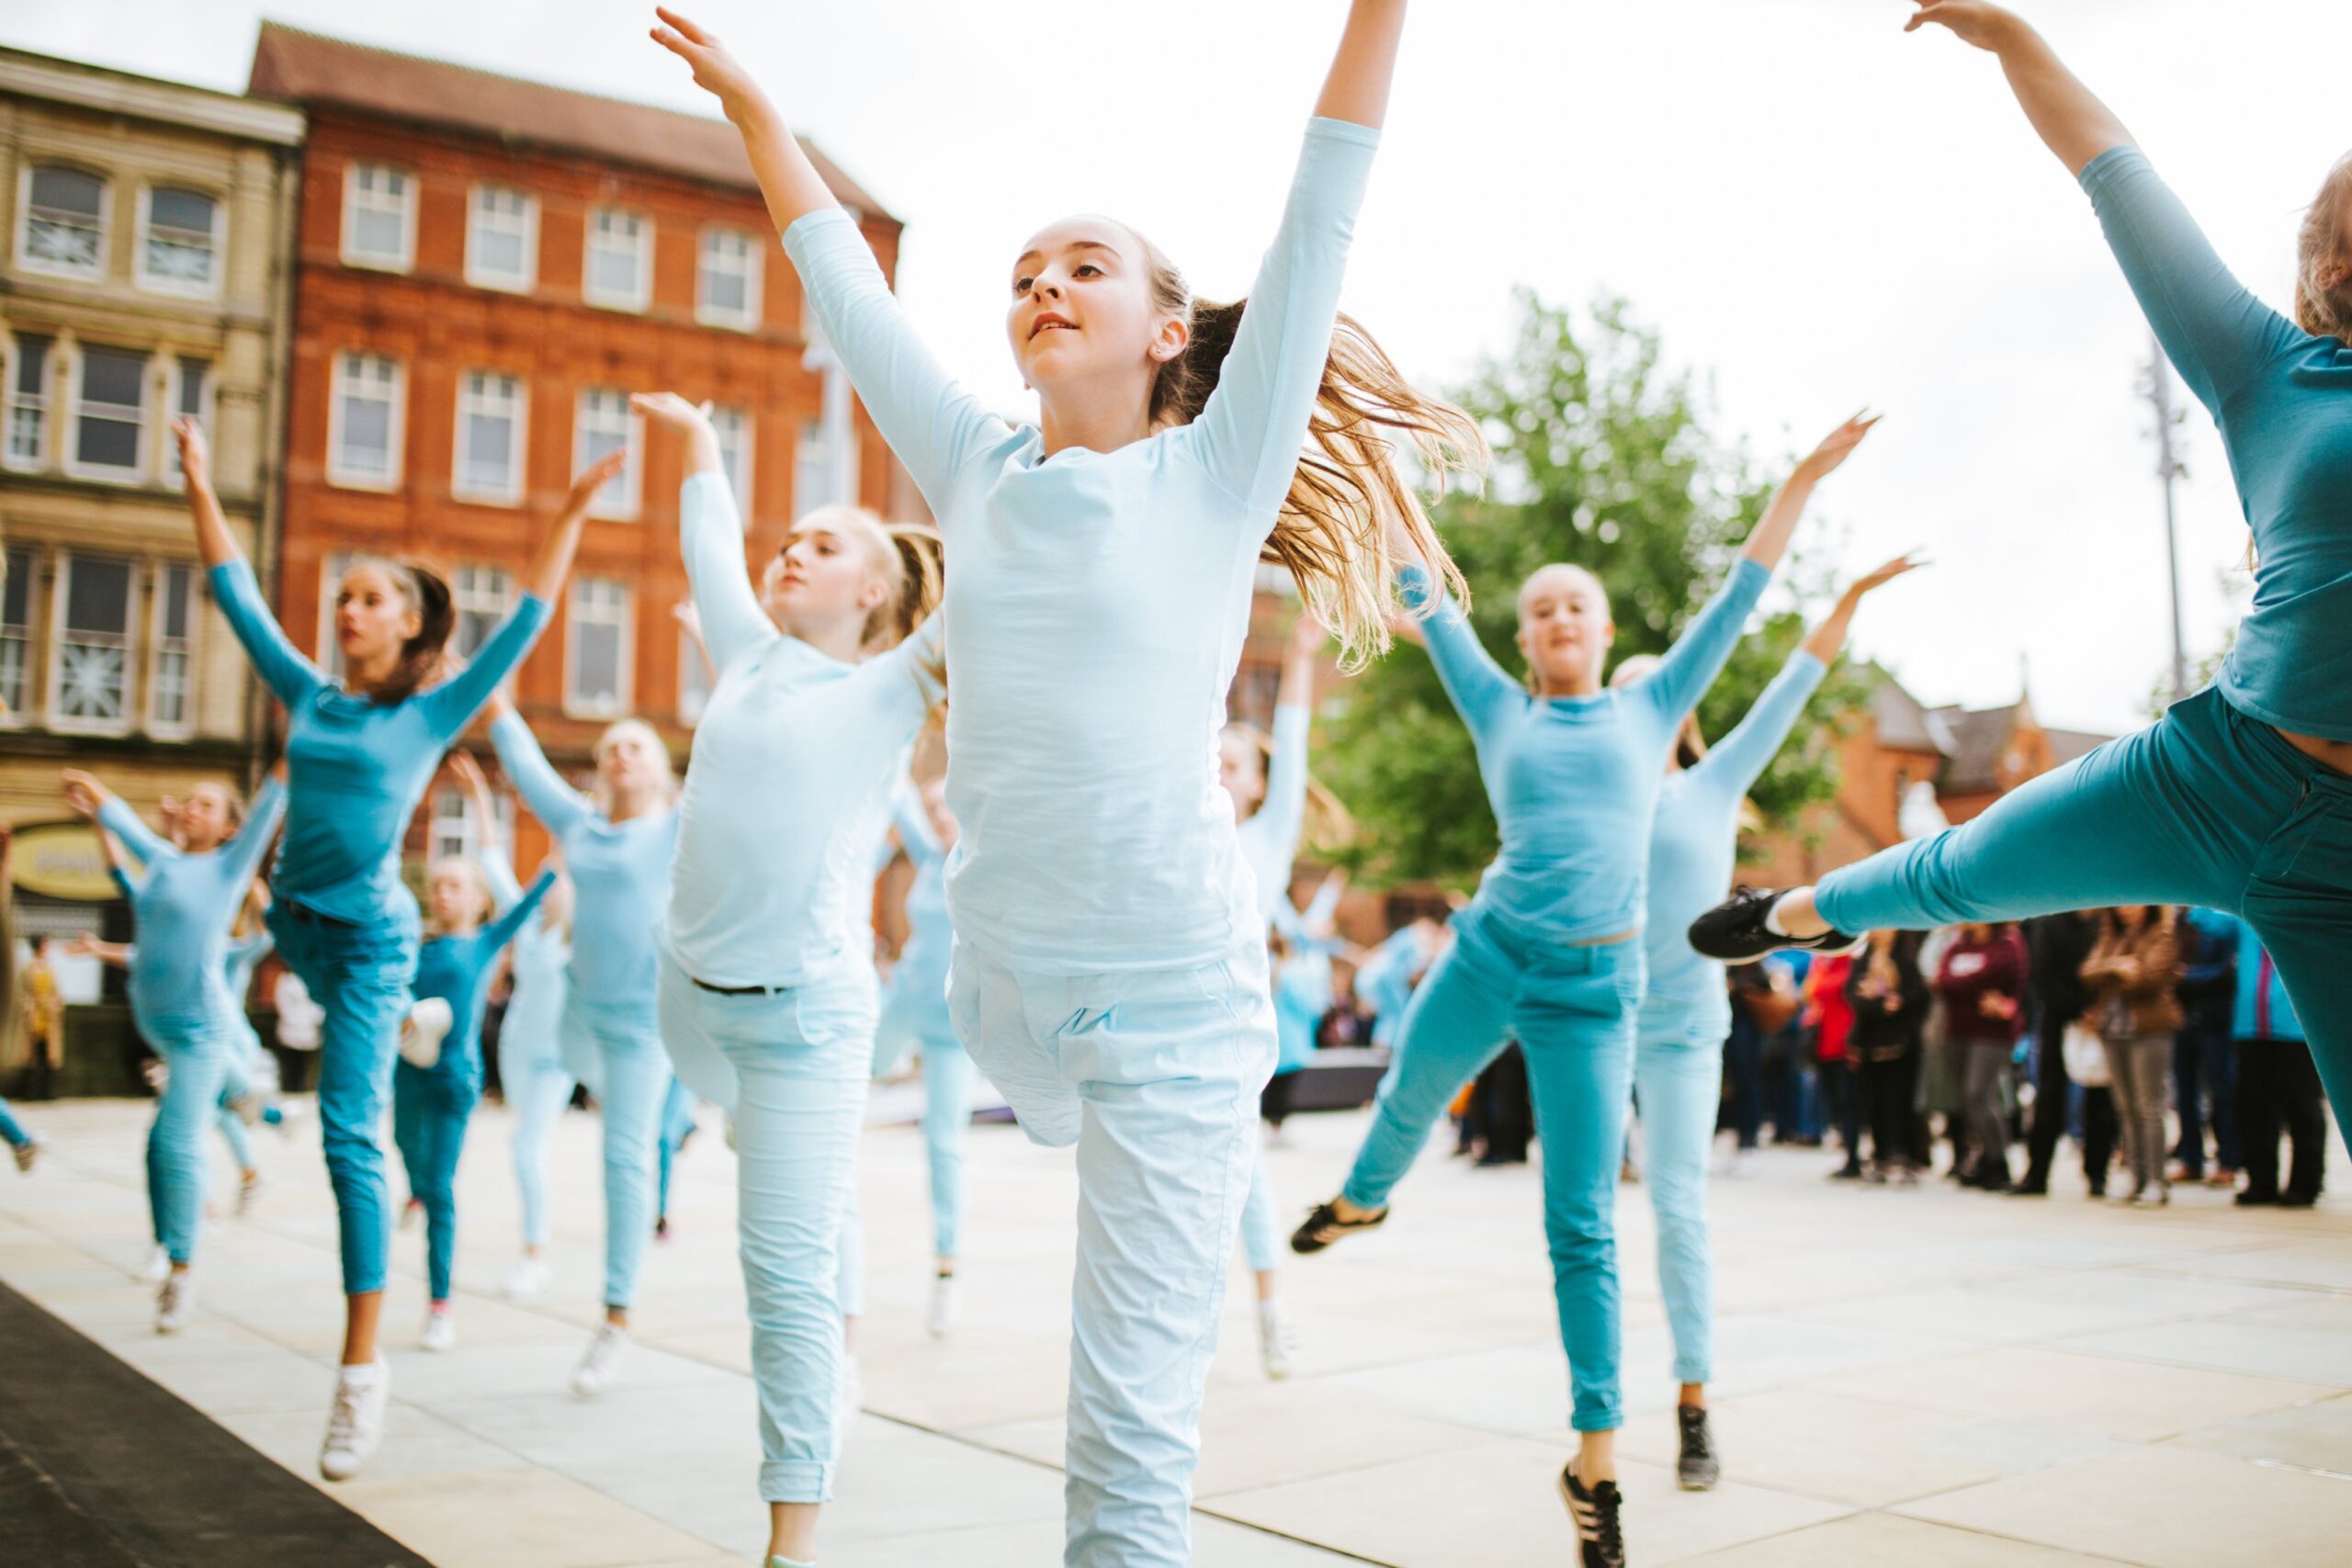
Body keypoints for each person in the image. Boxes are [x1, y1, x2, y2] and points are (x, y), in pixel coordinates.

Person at [653, 5, 1483, 1562]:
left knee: (1123, 1433)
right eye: (1022, 273)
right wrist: (763, 111)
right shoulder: (973, 464)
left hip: (1170, 1002)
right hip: (1009, 985)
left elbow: (1324, 200)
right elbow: (838, 271)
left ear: (1169, 328)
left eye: (1083, 264)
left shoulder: (1219, 466)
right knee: (1007, 1102)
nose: (1042, 283)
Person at [1688, 1, 2352, 1143]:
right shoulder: (2270, 375)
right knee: (1967, 863)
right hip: (2221, 773)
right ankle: (1799, 911)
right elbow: (2117, 175)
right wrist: (2018, 45)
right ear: (2337, 261)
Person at [1290, 411, 1875, 1562]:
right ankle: (1362, 1198)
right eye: (1539, 607)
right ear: (1524, 636)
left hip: (1593, 999)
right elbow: (1422, 588)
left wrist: (1801, 475)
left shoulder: (1652, 708)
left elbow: (1744, 595)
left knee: (1581, 1226)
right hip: (1490, 948)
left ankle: (1595, 1464)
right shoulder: (1497, 706)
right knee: (1409, 1094)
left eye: (1576, 604)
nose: (1557, 616)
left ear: (1605, 631)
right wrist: (1372, 466)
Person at [178, 414, 602, 1479]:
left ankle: (361, 1372)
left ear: (411, 626)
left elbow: (528, 624)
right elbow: (235, 592)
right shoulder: (308, 695)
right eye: (344, 595)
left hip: (370, 941)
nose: (346, 608)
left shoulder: (431, 711)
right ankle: (414, 1019)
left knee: (344, 1136)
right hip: (293, 925)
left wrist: (572, 510)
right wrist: (195, 477)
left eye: (370, 597)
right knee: (332, 1011)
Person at [628, 391, 942, 1568]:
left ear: (872, 590)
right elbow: (709, 538)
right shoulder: (749, 651)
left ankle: (790, 1539)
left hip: (806, 1026)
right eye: (790, 535)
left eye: (822, 543)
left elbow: (1005, 578)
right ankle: (821, 1211)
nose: (786, 550)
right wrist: (702, 441)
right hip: (686, 1007)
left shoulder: (894, 685)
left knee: (782, 1269)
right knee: (798, 1196)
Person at [1607, 555, 1915, 1489]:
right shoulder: (1584, 792)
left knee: (1677, 1211)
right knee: (1581, 1216)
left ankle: (1693, 1406)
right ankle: (1594, 1422)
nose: (1632, 706)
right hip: (1594, 1023)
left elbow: (1793, 686)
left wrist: (1848, 601)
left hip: (1683, 1033)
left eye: (1649, 693)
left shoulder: (1710, 784)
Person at [487, 691, 679, 1393]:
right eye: (609, 750)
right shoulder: (581, 826)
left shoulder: (676, 828)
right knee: (541, 1089)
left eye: (636, 746)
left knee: (623, 1158)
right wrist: (499, 699)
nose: (620, 754)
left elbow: (732, 748)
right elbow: (526, 765)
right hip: (575, 1017)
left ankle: (615, 1318)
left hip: (640, 1029)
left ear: (661, 772)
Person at [61, 765, 286, 1333]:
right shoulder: (162, 860)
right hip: (157, 1027)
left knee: (173, 1142)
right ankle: (249, 1093)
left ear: (230, 828)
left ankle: (180, 1272)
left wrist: (294, 749)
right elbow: (128, 833)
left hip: (197, 1031)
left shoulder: (229, 868)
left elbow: (269, 807)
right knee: (164, 1139)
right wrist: (98, 796)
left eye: (206, 805)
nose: (190, 808)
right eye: (188, 800)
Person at [390, 752, 555, 1351]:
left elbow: (542, 884)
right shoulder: (411, 945)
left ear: (478, 897)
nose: (443, 892)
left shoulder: (485, 941)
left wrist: (485, 798)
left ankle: (439, 1302)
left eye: (455, 884)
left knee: (440, 1188)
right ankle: (412, 1187)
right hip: (406, 1073)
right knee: (407, 1155)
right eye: (437, 885)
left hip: (454, 1081)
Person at [1221, 610, 1330, 1380]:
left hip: (1230, 1035)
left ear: (1257, 786)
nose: (1219, 771)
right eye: (1211, 760)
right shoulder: (1172, 830)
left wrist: (1297, 657)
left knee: (1245, 1170)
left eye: (1233, 764)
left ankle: (1270, 1309)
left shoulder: (1265, 840)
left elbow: (1290, 744)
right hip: (1152, 1030)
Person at [871, 773, 973, 1339]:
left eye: (948, 806)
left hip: (951, 1027)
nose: (937, 815)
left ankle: (947, 1269)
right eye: (931, 807)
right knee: (849, 1069)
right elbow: (894, 785)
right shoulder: (925, 852)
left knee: (944, 1141)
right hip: (902, 1006)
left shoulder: (982, 860)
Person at [497, 848, 573, 1301]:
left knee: (526, 1147)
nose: (552, 885)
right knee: (526, 1144)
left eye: (561, 880)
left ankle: (534, 1254)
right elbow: (494, 866)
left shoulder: (576, 936)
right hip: (515, 1050)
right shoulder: (526, 925)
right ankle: (535, 1241)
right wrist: (483, 807)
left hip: (555, 1059)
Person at [2082, 906, 2185, 1207]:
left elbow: (2149, 977)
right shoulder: (2112, 935)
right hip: (2113, 1031)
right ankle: (2137, 1178)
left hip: (2149, 1030)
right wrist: (2117, 966)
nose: (2126, 909)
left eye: (2133, 903)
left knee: (2149, 1107)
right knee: (2125, 1108)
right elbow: (2088, 971)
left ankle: (2156, 1179)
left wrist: (2110, 971)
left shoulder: (2162, 935)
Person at [2228, 918, 2325, 1207]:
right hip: (2249, 1026)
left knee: (2301, 1106)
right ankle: (2261, 1181)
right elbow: (2204, 919)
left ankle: (2305, 1184)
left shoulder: (2304, 915)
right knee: (2253, 1106)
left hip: (2297, 1027)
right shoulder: (2243, 916)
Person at [1932, 922, 2029, 1191]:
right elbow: (1943, 980)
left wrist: (1962, 983)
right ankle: (1984, 1157)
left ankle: (2000, 1162)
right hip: (1958, 1030)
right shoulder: (1958, 944)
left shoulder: (2006, 944)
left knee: (1979, 1093)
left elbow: (2003, 972)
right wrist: (1973, 985)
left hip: (1992, 1032)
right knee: (1967, 1098)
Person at [2016, 910, 2101, 1196]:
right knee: (2049, 1098)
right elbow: (2040, 974)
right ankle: (2037, 1173)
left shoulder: (2106, 922)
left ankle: (2097, 1174)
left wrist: (2095, 1011)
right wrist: (2077, 1009)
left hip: (2100, 1022)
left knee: (2101, 1099)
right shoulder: (2050, 922)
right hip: (2057, 1019)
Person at [1848, 930, 1930, 1182]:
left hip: (1901, 1044)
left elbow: (1920, 996)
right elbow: (1851, 994)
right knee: (1875, 1105)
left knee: (1901, 1103)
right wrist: (1877, 1004)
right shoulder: (1863, 959)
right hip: (1870, 1044)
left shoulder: (1907, 957)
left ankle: (1908, 1157)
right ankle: (1881, 1156)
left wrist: (1899, 1002)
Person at [2171, 906, 2240, 1188]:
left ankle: (2228, 1160)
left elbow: (2228, 971)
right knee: (2184, 1093)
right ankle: (2191, 1157)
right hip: (2182, 1018)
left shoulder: (2222, 921)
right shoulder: (2177, 922)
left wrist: (2186, 976)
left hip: (2216, 1020)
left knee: (2221, 1090)